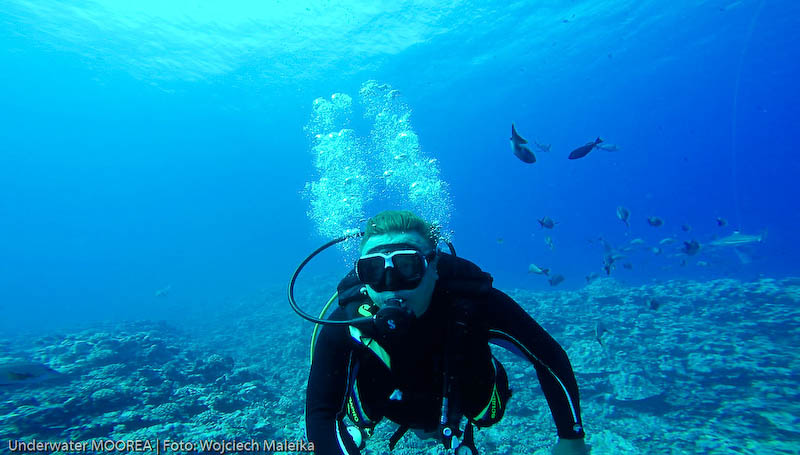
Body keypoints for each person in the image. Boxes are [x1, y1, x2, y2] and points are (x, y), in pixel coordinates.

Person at [304, 210, 588, 455]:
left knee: (488, 413)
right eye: (373, 270)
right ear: (362, 278)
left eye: (407, 266)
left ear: (434, 267)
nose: (391, 283)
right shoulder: (347, 322)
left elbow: (548, 356)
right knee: (357, 414)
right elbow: (321, 409)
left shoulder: (474, 303)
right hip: (389, 400)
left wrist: (571, 438)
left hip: (462, 390)